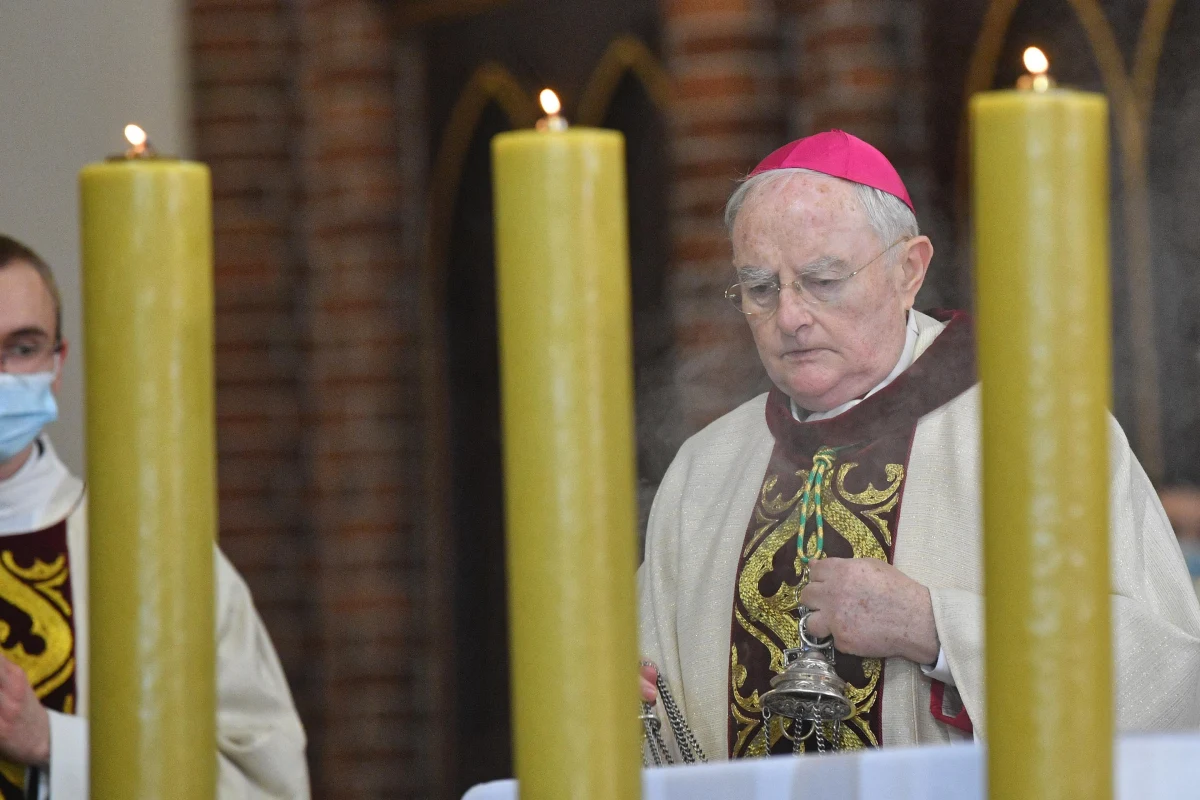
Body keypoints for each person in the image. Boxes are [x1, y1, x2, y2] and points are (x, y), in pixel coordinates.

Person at [637, 131, 1200, 758]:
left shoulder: (1038, 434)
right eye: (760, 287)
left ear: (909, 271)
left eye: (822, 279)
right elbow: (656, 715)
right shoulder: (706, 470)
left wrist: (935, 629)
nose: (789, 317)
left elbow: (1169, 676)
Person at [0, 236, 309, 798]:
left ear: (58, 364)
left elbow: (267, 782)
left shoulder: (157, 557)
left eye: (22, 348)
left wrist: (52, 744)